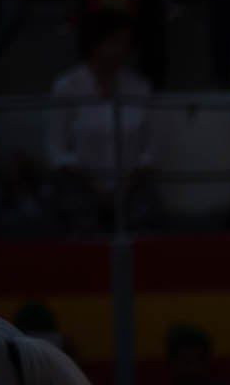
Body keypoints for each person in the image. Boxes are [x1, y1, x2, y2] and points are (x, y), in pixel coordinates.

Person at [45, 12, 157, 232]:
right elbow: (56, 149)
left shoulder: (140, 87)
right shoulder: (66, 87)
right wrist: (92, 185)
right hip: (80, 184)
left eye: (126, 43)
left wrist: (126, 186)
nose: (123, 50)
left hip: (131, 187)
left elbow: (151, 150)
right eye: (115, 42)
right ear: (94, 44)